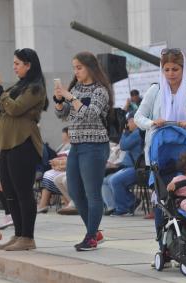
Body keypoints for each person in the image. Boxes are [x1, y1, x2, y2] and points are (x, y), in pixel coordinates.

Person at [134, 47, 186, 238]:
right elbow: (139, 117)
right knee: (164, 203)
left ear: (183, 69)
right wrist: (153, 123)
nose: (171, 74)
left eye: (175, 69)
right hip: (159, 156)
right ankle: (164, 245)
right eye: (166, 69)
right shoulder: (155, 91)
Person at [0, 48, 47, 251]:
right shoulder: (18, 86)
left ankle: (28, 237)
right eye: (13, 63)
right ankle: (19, 234)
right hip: (6, 142)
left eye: (17, 64)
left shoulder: (35, 88)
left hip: (24, 143)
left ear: (28, 65)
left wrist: (0, 91)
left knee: (23, 192)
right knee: (9, 192)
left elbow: (13, 108)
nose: (14, 67)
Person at [54, 51, 112, 251]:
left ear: (90, 67)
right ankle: (94, 232)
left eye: (79, 67)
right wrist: (60, 100)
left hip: (95, 146)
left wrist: (70, 97)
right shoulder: (76, 88)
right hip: (76, 146)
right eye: (74, 68)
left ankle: (91, 237)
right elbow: (62, 115)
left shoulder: (100, 90)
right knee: (75, 191)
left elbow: (90, 114)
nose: (76, 71)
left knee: (92, 193)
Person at [105, 111, 143, 216]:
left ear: (135, 120)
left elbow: (123, 146)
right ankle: (129, 202)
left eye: (129, 121)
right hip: (128, 167)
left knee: (114, 180)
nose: (127, 124)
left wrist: (125, 132)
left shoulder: (138, 132)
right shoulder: (135, 132)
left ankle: (123, 208)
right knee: (106, 180)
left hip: (137, 169)